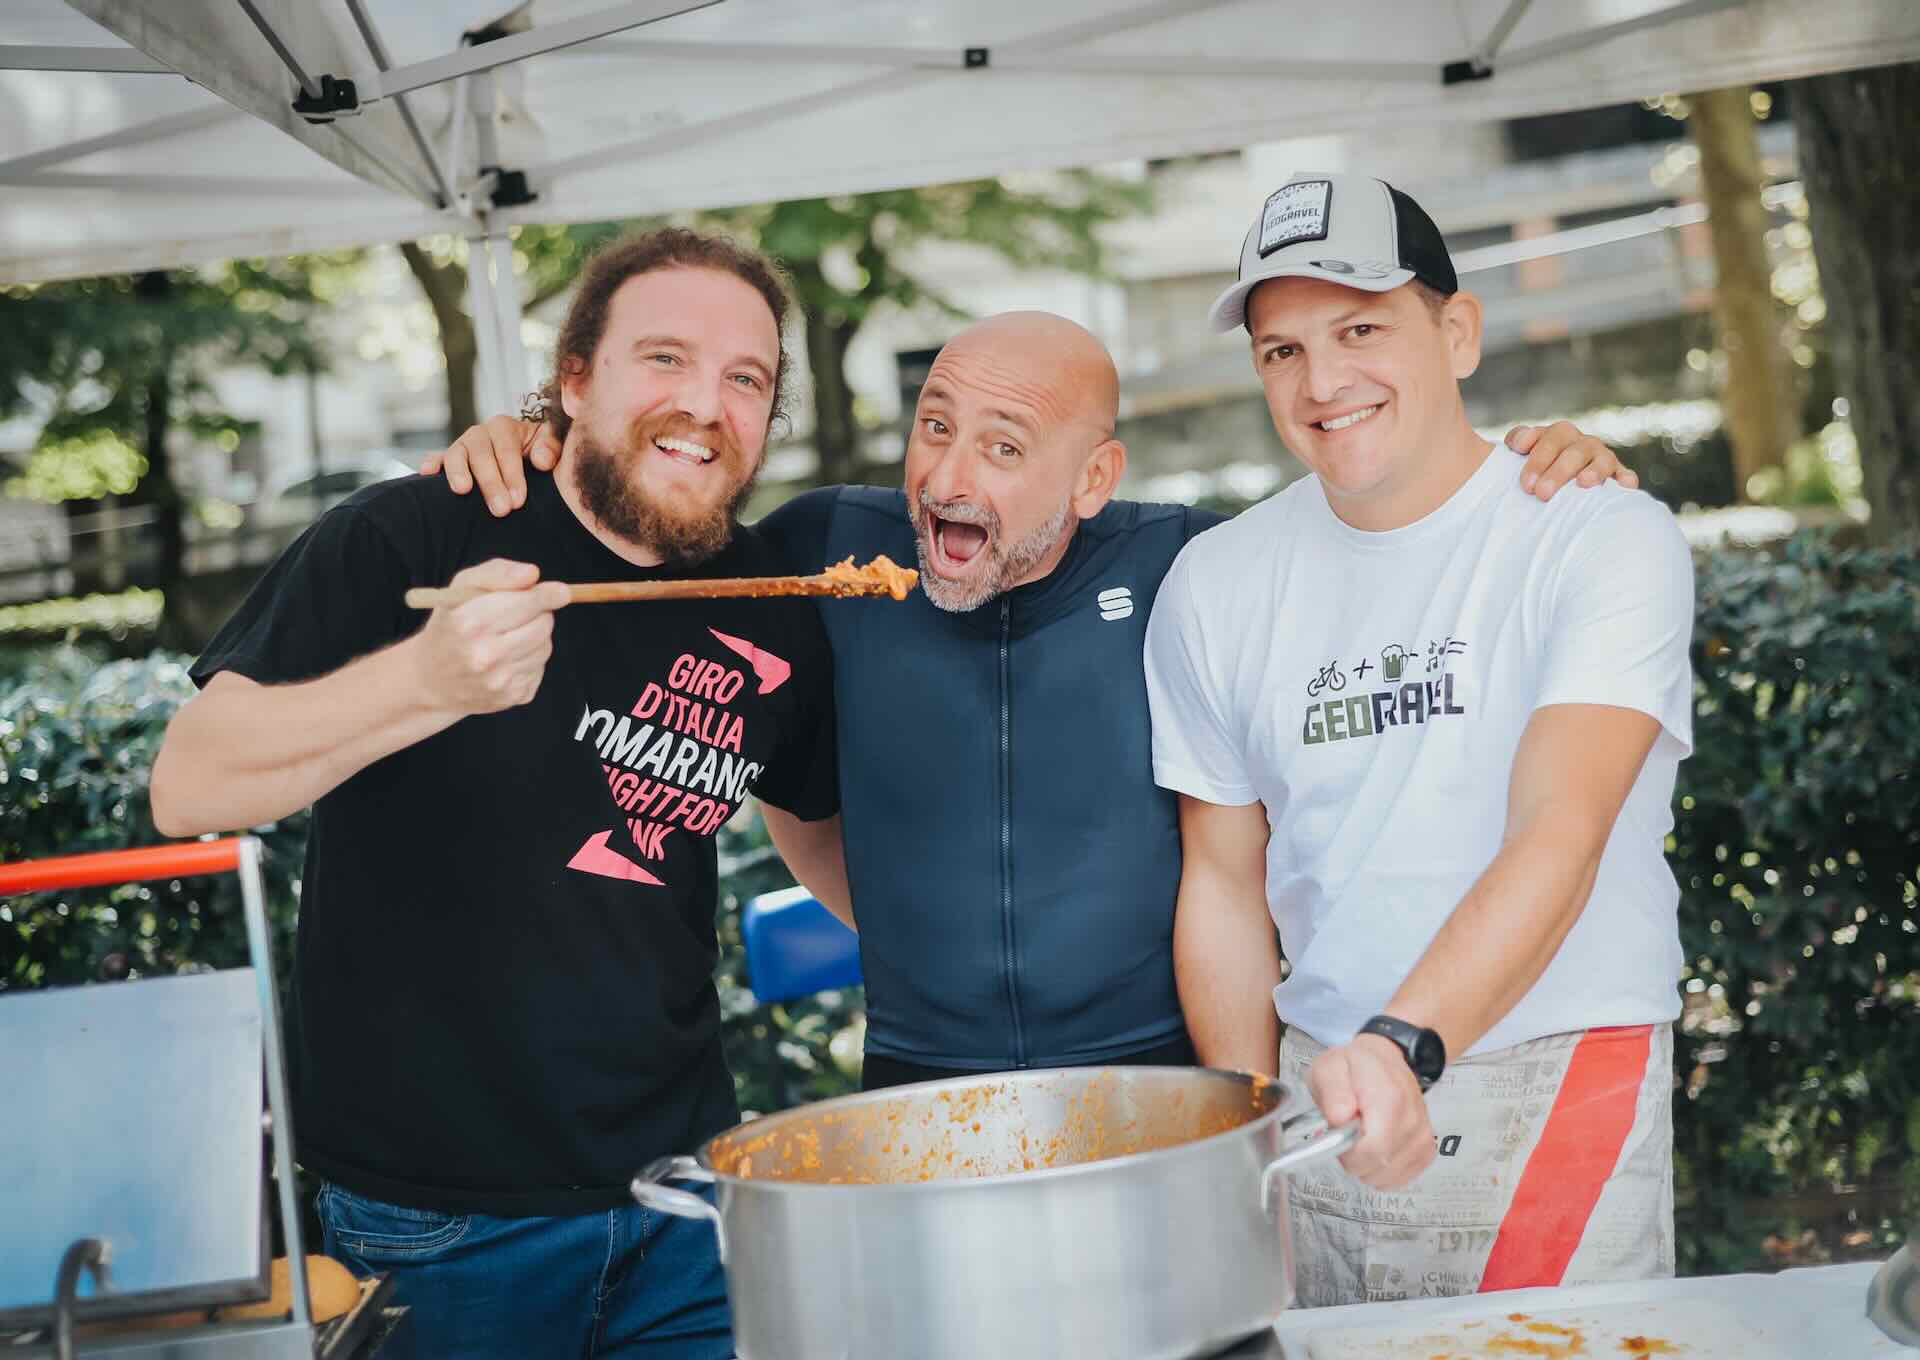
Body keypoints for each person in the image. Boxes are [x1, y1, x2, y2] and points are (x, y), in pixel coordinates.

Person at [431, 310, 1634, 1090]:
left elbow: (1388, 534)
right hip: (915, 1078)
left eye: (1004, 448)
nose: (948, 475)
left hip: (1166, 1076)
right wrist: (540, 439)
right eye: (935, 427)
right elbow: (647, 550)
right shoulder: (821, 551)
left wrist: (1539, 464)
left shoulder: (1193, 566)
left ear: (1096, 476)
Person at [150, 228, 840, 1358]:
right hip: (439, 1224)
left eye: (745, 378)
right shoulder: (409, 530)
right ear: (574, 376)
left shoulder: (769, 596)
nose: (706, 404)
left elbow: (816, 824)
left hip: (687, 1198)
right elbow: (190, 782)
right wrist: (425, 680)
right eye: (664, 358)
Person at [1144, 172, 1695, 1306]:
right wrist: (1247, 1123)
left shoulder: (1599, 537)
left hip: (1554, 1076)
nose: (1322, 380)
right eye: (1281, 350)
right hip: (1319, 1091)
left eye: (1358, 329)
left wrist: (1403, 1046)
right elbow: (1221, 885)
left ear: (1457, 332)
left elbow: (1563, 830)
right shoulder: (1215, 582)